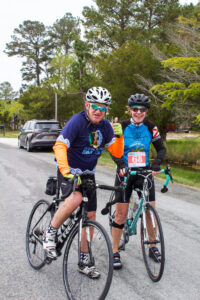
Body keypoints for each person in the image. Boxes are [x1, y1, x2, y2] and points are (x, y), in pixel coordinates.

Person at [43, 86, 124, 277]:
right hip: (69, 170)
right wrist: (66, 170)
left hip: (88, 173)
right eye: (95, 106)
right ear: (87, 105)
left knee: (91, 217)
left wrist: (119, 137)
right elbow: (60, 145)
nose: (98, 111)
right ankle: (50, 232)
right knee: (75, 199)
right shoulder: (77, 122)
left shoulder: (105, 127)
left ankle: (84, 259)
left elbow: (117, 153)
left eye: (103, 108)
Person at [111, 93, 166, 269]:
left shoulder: (151, 127)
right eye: (135, 109)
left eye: (142, 110)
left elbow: (161, 149)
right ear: (130, 110)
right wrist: (120, 163)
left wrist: (157, 163)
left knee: (150, 211)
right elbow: (112, 148)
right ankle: (115, 251)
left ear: (146, 111)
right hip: (125, 173)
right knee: (120, 214)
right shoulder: (122, 126)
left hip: (144, 172)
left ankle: (152, 246)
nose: (138, 112)